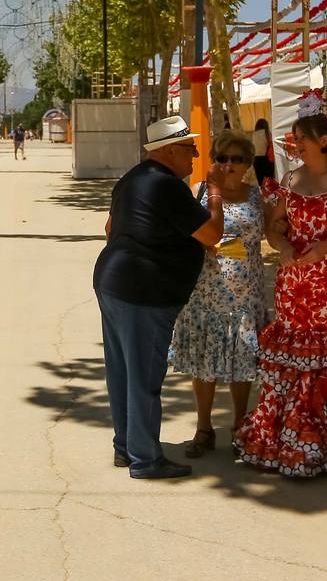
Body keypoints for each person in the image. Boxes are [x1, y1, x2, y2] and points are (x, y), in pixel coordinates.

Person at [233, 103, 327, 477]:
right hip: (294, 284)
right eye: (294, 138)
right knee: (294, 352)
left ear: (323, 140)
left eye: (301, 138)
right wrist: (282, 247)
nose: (295, 144)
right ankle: (290, 438)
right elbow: (275, 227)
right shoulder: (289, 181)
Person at [94, 115, 226, 480]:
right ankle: (146, 459)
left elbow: (110, 228)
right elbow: (213, 233)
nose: (196, 153)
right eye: (189, 148)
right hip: (143, 291)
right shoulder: (166, 187)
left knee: (122, 371)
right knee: (145, 376)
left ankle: (127, 447)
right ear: (169, 151)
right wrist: (213, 193)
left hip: (114, 282)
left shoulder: (131, 179)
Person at [168, 129, 268, 458]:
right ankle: (203, 428)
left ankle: (240, 425)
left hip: (245, 291)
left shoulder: (257, 196)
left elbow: (275, 231)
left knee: (242, 361)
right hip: (208, 290)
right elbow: (185, 232)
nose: (228, 165)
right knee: (204, 361)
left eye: (236, 159)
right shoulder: (200, 192)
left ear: (247, 164)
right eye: (222, 158)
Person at [251, 119, 275, 185]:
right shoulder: (267, 133)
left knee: (260, 182)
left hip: (256, 160)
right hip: (266, 159)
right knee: (270, 182)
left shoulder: (254, 134)